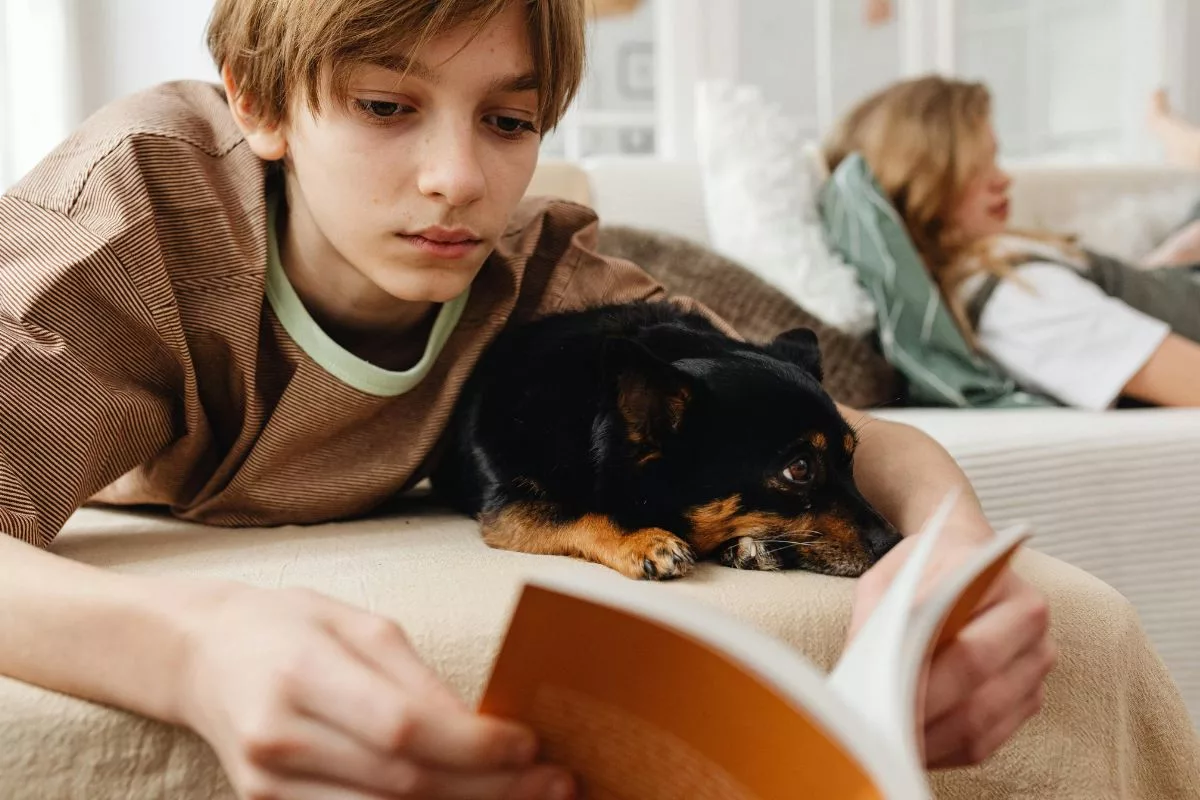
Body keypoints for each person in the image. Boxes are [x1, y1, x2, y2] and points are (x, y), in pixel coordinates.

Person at [0, 3, 1054, 798]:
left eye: (510, 118)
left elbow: (839, 431)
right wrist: (187, 647)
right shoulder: (129, 215)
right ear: (258, 98)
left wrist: (949, 538)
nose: (459, 177)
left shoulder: (533, 269)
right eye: (385, 105)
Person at [824, 75, 1200, 410]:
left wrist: (1175, 254)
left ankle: (1180, 145)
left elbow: (1125, 299)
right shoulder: (1017, 302)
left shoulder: (990, 269)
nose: (1003, 179)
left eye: (994, 159)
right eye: (979, 165)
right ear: (925, 177)